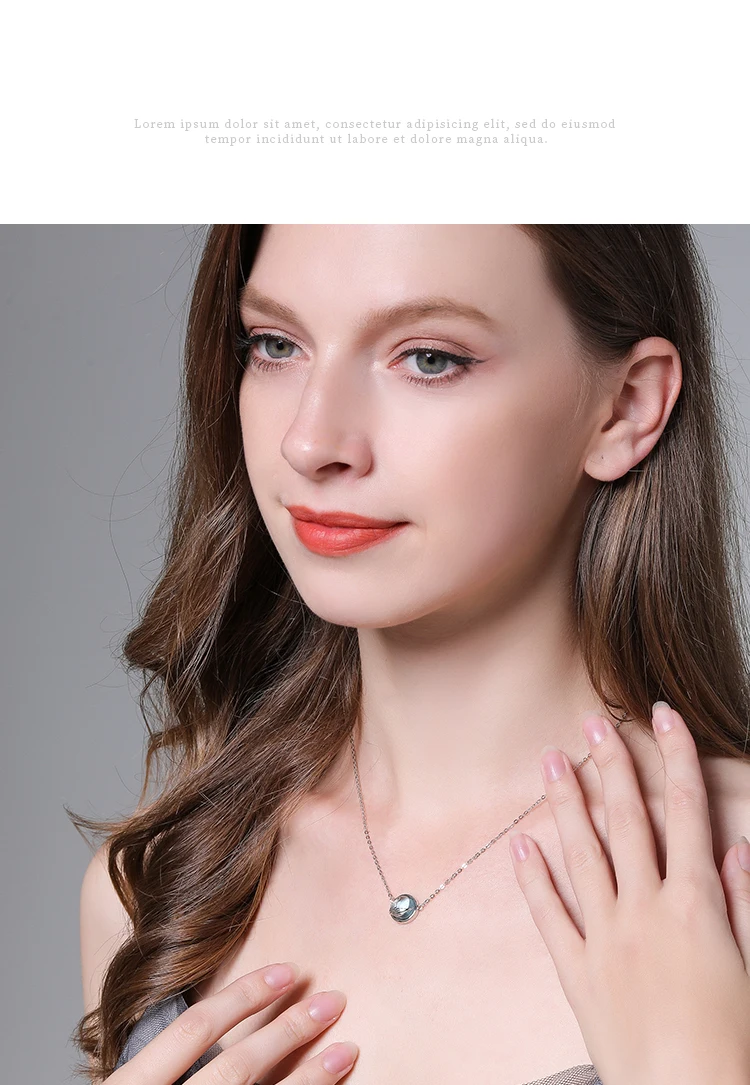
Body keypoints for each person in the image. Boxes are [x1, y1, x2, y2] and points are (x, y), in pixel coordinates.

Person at [71, 225, 750, 1085]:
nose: (311, 441)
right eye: (275, 344)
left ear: (626, 407)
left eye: (428, 359)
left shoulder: (730, 881)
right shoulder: (156, 887)